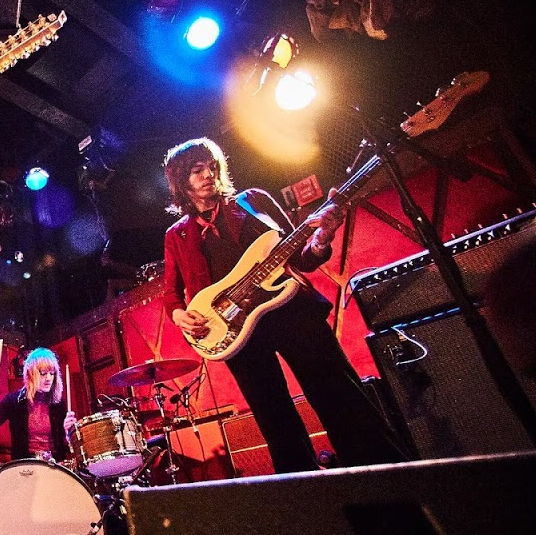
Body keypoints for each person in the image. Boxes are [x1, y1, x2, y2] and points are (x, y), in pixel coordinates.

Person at [161, 137, 408, 473]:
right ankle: (306, 500)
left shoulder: (253, 201)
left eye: (212, 167)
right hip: (234, 333)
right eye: (197, 170)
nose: (209, 174)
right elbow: (171, 295)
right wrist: (179, 315)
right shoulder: (177, 235)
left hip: (291, 312)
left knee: (340, 397)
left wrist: (321, 238)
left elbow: (301, 257)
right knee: (275, 419)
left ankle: (386, 476)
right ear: (181, 181)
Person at [0, 347, 74, 463]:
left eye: (52, 373)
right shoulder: (13, 401)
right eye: (43, 373)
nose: (49, 378)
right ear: (30, 374)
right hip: (25, 466)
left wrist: (68, 432)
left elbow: (67, 447)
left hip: (55, 464)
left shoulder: (58, 404)